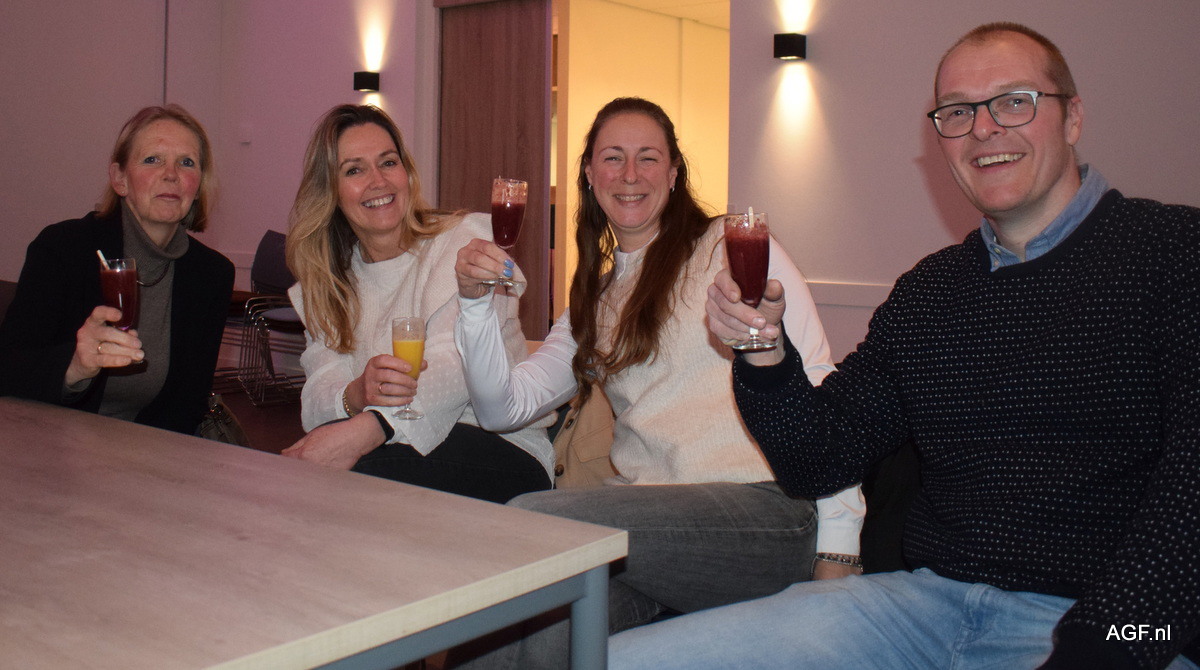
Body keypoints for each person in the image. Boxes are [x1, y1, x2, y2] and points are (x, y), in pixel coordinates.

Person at [609, 22, 1200, 670]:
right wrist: (763, 353)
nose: (983, 128)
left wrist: (1101, 647)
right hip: (919, 610)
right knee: (622, 661)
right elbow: (818, 459)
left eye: (1014, 102)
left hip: (1109, 626)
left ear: (1073, 117)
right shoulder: (930, 293)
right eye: (958, 112)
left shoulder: (1175, 255)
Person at [451, 97, 864, 668]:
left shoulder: (732, 247)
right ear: (589, 175)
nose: (630, 174)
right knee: (535, 635)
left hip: (767, 516)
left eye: (648, 158)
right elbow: (502, 409)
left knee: (531, 519)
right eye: (612, 158)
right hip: (652, 530)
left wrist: (840, 554)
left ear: (673, 174)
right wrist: (474, 306)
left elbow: (819, 387)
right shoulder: (595, 298)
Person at [280, 104, 552, 504]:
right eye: (354, 170)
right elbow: (318, 396)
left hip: (503, 449)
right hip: (392, 443)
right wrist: (356, 393)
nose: (377, 181)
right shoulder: (329, 284)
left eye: (388, 162)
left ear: (407, 173)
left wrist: (367, 429)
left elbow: (457, 368)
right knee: (304, 468)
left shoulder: (465, 244)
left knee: (351, 473)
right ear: (331, 192)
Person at [0, 105, 234, 435]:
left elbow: (187, 404)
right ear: (120, 179)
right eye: (152, 159)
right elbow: (8, 368)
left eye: (186, 162)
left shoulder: (212, 275)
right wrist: (74, 367)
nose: (171, 174)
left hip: (145, 449)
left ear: (198, 186)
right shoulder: (63, 249)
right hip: (50, 439)